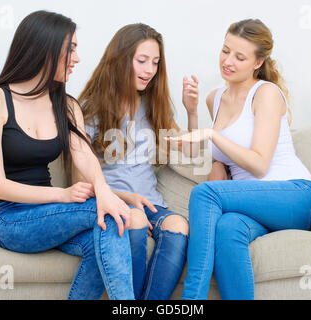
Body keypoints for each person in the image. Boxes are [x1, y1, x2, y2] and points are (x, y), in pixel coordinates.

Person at [0, 10, 136, 300]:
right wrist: (62, 195)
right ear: (44, 48)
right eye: (70, 48)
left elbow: (83, 154)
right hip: (8, 216)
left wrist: (103, 190)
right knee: (111, 216)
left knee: (105, 233)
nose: (77, 58)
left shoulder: (66, 104)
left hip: (48, 215)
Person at [167, 19, 311, 300]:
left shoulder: (266, 94)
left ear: (257, 62)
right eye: (225, 51)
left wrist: (212, 136)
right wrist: (191, 112)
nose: (228, 61)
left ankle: (192, 300)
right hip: (254, 209)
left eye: (240, 57)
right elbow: (200, 157)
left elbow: (260, 164)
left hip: (294, 196)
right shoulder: (215, 98)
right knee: (228, 229)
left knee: (204, 194)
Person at [76, 23, 198, 299]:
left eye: (155, 62)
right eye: (141, 61)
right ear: (120, 60)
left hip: (150, 202)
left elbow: (191, 153)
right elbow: (80, 180)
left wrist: (192, 113)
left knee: (179, 225)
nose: (149, 70)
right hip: (114, 202)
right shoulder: (91, 110)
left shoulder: (153, 105)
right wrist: (126, 197)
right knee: (136, 218)